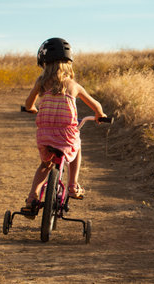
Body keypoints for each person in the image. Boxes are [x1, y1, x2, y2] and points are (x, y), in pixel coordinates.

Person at [24, 37, 106, 209]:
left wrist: (32, 109)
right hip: (66, 135)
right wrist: (100, 115)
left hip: (45, 135)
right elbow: (96, 105)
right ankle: (73, 185)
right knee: (77, 148)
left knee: (45, 165)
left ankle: (32, 198)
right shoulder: (73, 85)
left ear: (44, 63)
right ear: (68, 63)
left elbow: (28, 104)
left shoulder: (41, 83)